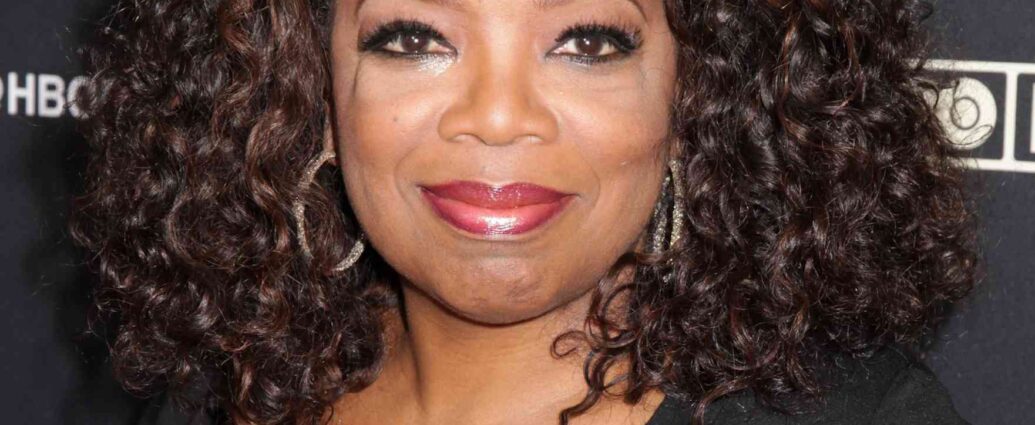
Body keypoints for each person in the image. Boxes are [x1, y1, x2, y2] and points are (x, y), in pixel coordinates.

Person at [71, 0, 980, 424]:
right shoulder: (224, 401)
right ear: (307, 89)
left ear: (697, 95)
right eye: (413, 37)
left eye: (586, 41)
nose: (498, 116)